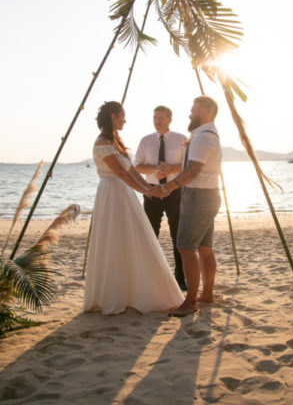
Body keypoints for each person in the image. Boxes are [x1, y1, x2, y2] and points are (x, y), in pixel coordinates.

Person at [83, 101, 183, 315]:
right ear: (112, 117)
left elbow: (132, 171)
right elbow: (120, 173)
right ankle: (114, 293)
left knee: (134, 237)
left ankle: (135, 290)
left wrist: (149, 187)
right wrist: (147, 192)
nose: (125, 120)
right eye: (122, 116)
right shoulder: (102, 143)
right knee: (115, 239)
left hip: (125, 193)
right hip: (111, 194)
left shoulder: (116, 141)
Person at [148, 96, 222, 317]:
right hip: (209, 195)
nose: (190, 114)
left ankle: (190, 301)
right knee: (204, 248)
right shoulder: (204, 135)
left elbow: (192, 171)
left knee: (186, 247)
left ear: (206, 112)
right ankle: (207, 294)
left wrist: (167, 188)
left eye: (193, 110)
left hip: (198, 197)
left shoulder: (202, 138)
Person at [134, 106, 187, 290]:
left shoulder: (181, 139)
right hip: (151, 192)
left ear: (169, 119)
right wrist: (156, 168)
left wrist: (171, 168)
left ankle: (180, 278)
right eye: (155, 117)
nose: (157, 121)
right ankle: (150, 276)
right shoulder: (146, 141)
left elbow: (187, 166)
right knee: (150, 234)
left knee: (177, 235)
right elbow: (138, 167)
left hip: (175, 191)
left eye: (161, 118)